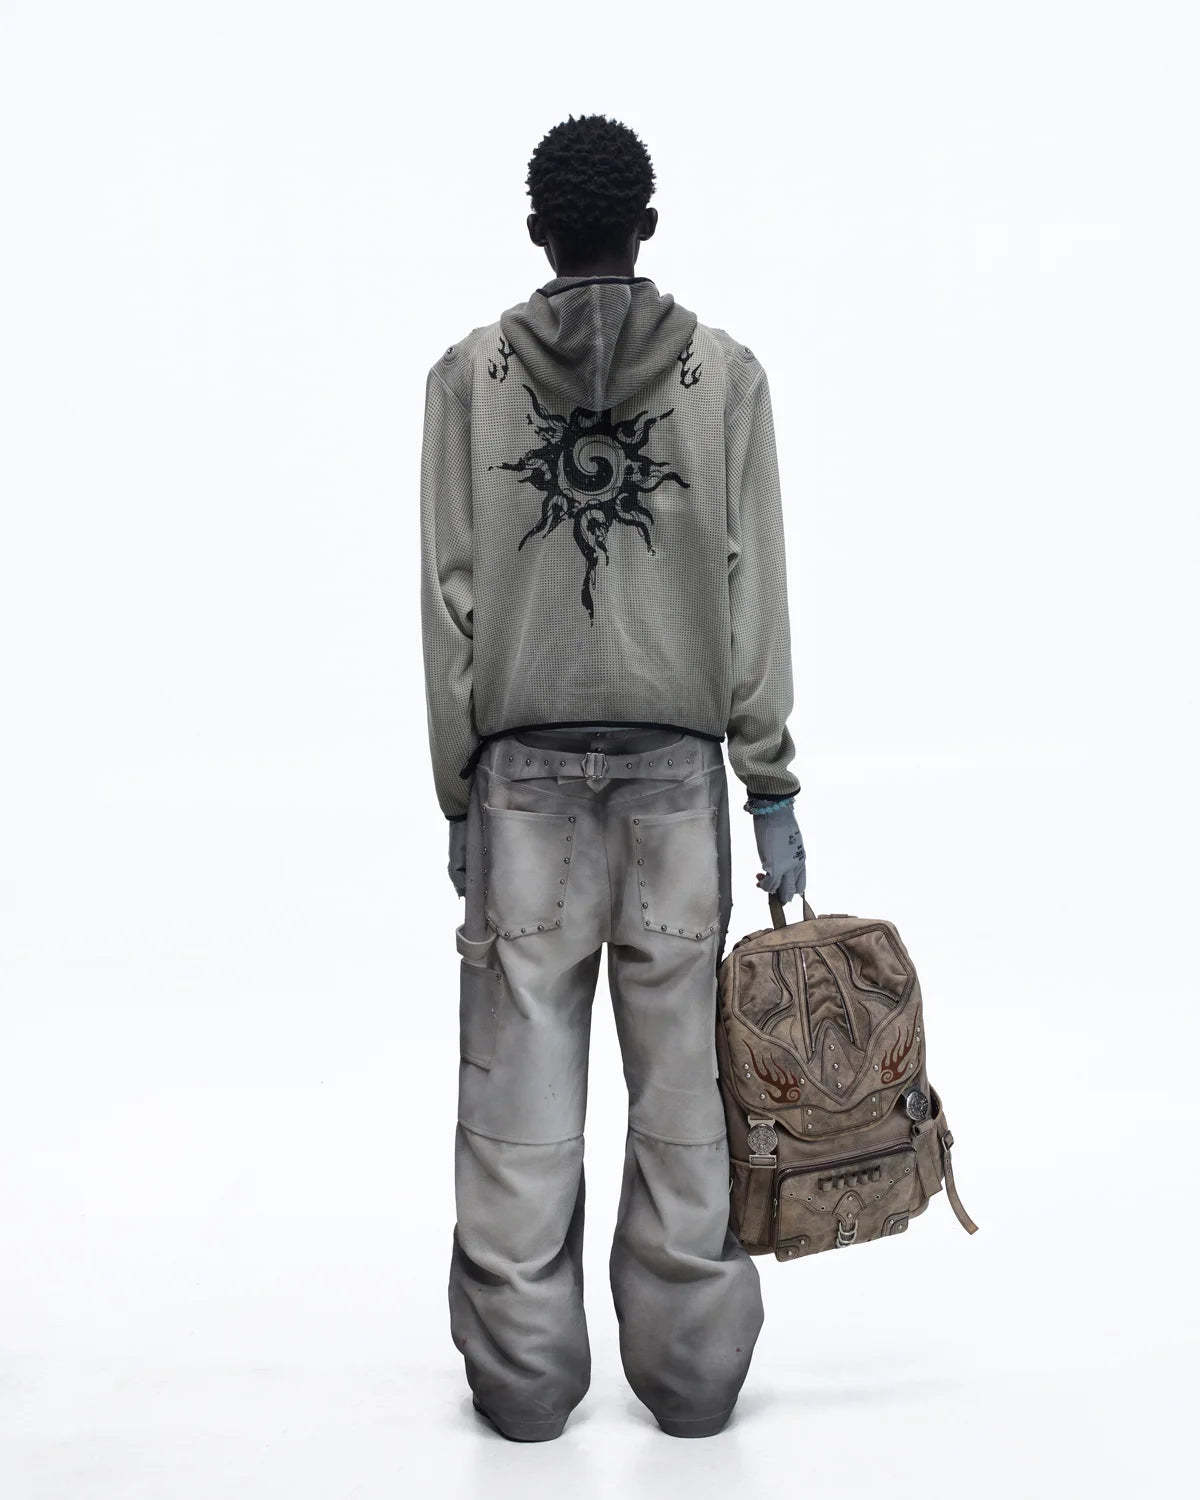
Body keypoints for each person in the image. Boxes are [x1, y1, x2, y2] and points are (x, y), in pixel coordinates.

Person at [419, 113, 805, 1442]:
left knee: (518, 1099)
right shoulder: (726, 376)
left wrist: (457, 795)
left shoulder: (468, 380)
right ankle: (694, 1384)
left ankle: (524, 1390)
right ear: (647, 226)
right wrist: (772, 788)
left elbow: (451, 606)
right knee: (687, 1093)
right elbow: (754, 603)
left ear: (539, 232)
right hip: (679, 784)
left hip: (521, 784)